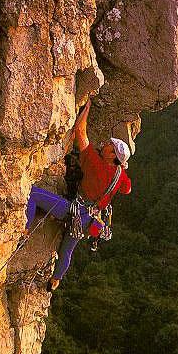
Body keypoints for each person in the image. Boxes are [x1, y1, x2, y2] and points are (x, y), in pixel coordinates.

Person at [25, 98, 132, 291]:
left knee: (32, 194)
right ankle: (55, 280)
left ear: (112, 156)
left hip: (73, 210)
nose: (105, 145)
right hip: (87, 220)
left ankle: (23, 229)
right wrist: (121, 168)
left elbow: (80, 132)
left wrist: (87, 105)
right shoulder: (120, 175)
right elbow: (127, 189)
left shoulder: (96, 163)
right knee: (67, 249)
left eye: (109, 146)